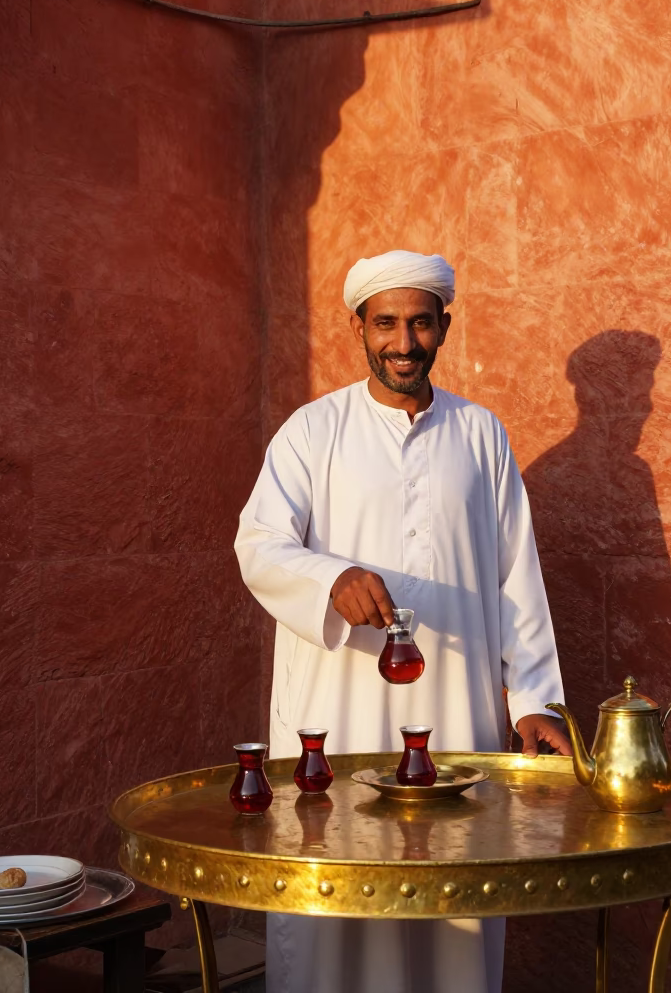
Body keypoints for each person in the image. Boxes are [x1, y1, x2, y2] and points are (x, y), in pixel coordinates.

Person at [234, 249, 568, 993]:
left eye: (421, 323)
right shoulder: (311, 432)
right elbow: (257, 544)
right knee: (338, 900)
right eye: (386, 323)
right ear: (359, 327)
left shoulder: (482, 435)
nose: (403, 342)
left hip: (457, 715)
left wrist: (535, 701)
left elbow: (519, 577)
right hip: (339, 716)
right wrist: (330, 578)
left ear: (444, 327)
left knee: (456, 905)